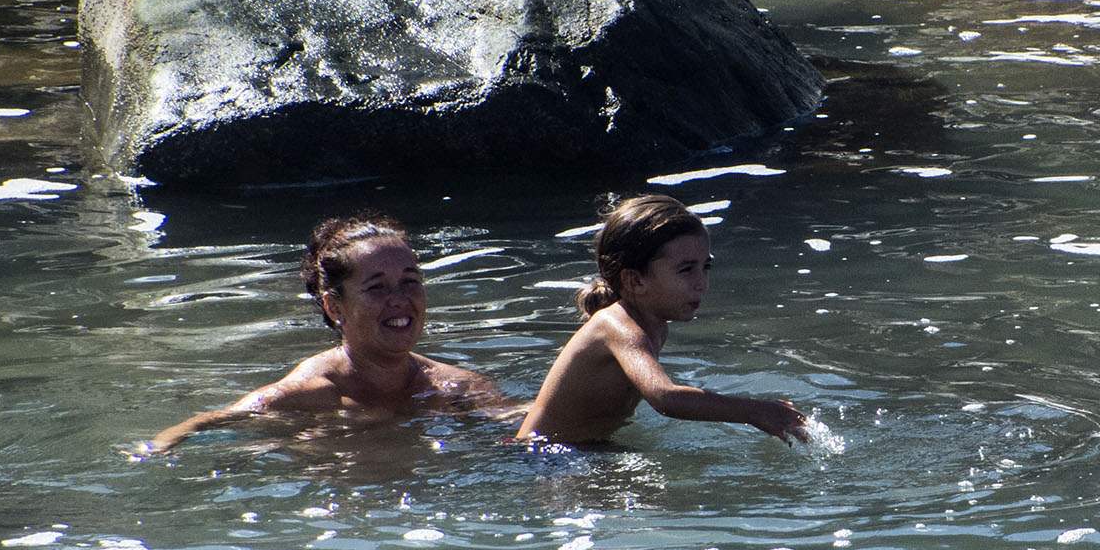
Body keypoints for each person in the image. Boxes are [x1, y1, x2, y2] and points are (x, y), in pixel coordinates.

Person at [143, 212, 518, 453]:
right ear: (334, 306)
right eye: (377, 287)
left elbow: (525, 429)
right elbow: (199, 427)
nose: (400, 300)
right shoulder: (308, 396)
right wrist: (157, 450)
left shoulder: (458, 388)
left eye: (410, 281)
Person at [517, 194, 809, 446]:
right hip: (546, 454)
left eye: (705, 266)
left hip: (587, 447)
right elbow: (665, 397)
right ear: (634, 280)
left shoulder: (654, 324)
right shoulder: (617, 325)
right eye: (686, 270)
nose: (701, 282)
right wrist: (756, 411)